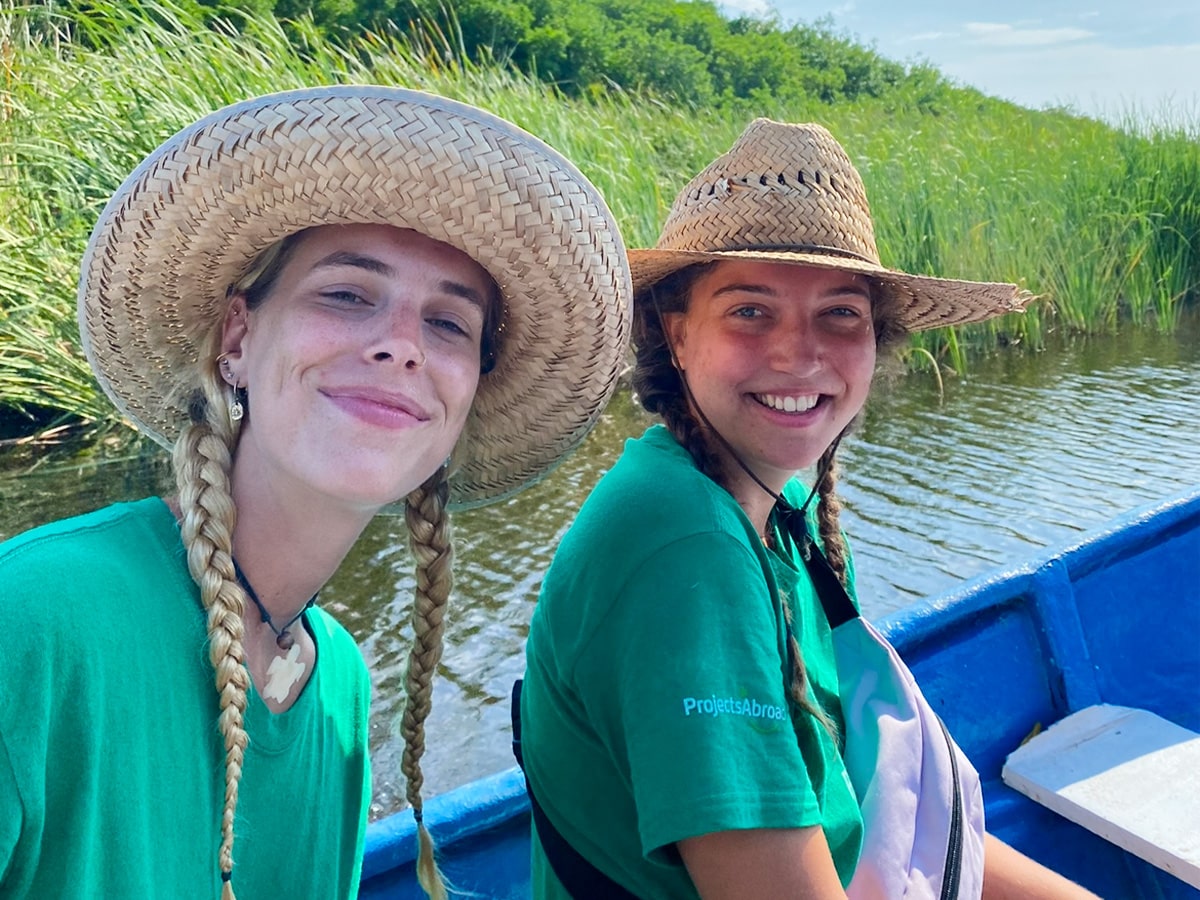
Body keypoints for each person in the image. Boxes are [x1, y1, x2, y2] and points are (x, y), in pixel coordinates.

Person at [0, 85, 630, 899]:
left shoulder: (337, 683)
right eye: (347, 294)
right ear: (237, 338)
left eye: (448, 324)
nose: (401, 345)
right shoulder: (35, 617)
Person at [518, 119, 1098, 898]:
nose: (799, 353)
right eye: (749, 311)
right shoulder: (684, 542)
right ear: (677, 336)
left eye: (840, 313)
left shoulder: (788, 509)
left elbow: (881, 818)